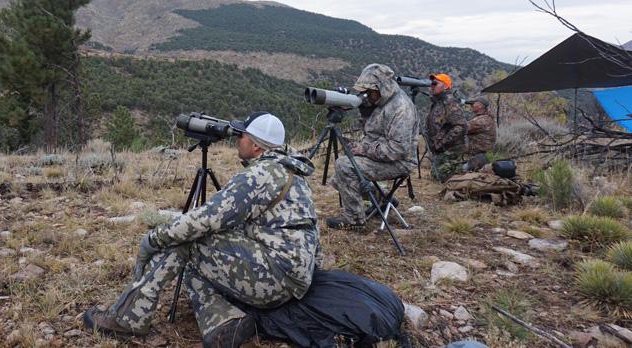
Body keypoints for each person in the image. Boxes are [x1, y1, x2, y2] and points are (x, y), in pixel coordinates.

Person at [82, 112, 321, 348]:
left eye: (242, 136)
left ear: (256, 146)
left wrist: (154, 239)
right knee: (195, 265)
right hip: (295, 279)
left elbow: (204, 220)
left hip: (274, 280)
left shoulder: (261, 175)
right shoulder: (292, 173)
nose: (237, 139)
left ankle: (128, 319)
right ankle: (224, 324)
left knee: (188, 241)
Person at [326, 64, 420, 229]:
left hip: (401, 161)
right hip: (382, 154)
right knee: (338, 179)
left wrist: (364, 149)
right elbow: (375, 131)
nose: (367, 95)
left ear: (381, 87)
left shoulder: (401, 109)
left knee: (344, 167)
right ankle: (381, 198)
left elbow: (398, 150)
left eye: (370, 91)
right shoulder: (382, 100)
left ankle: (354, 219)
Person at [425, 73, 467, 182]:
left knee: (438, 175)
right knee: (436, 174)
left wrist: (442, 142)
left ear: (446, 86)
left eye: (435, 83)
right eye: (431, 84)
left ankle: (469, 165)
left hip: (451, 149)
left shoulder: (450, 102)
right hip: (440, 149)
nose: (432, 86)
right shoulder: (437, 103)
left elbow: (460, 127)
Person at [464, 96, 497, 171]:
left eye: (473, 104)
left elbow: (463, 128)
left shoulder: (482, 120)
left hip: (480, 157)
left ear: (481, 106)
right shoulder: (482, 118)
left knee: (458, 171)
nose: (471, 106)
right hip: (479, 156)